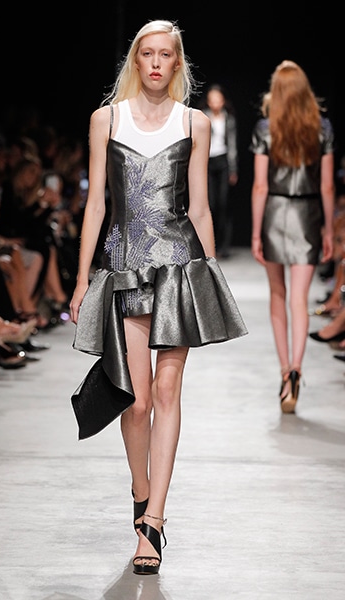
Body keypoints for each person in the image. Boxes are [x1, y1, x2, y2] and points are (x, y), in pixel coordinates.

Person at [69, 20, 247, 576]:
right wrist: (81, 279)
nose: (154, 62)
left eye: (164, 54)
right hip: (124, 266)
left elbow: (200, 207)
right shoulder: (106, 120)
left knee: (167, 392)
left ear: (177, 63)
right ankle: (140, 493)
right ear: (135, 60)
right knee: (137, 400)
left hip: (178, 267)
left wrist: (210, 278)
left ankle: (154, 521)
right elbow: (96, 204)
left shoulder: (196, 122)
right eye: (146, 53)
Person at [250, 60, 335, 414]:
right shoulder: (321, 128)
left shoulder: (265, 128)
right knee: (299, 299)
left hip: (274, 212)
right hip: (308, 214)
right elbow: (327, 185)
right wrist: (328, 228)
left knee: (278, 295)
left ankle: (284, 370)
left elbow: (260, 185)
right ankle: (297, 369)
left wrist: (256, 232)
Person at [202, 84, 238, 258]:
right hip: (207, 162)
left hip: (223, 161)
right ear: (208, 101)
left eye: (218, 99)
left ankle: (224, 245)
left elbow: (232, 145)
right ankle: (210, 244)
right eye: (212, 100)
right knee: (211, 204)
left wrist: (233, 169)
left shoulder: (228, 118)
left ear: (223, 101)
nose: (215, 103)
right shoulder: (203, 117)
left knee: (224, 204)